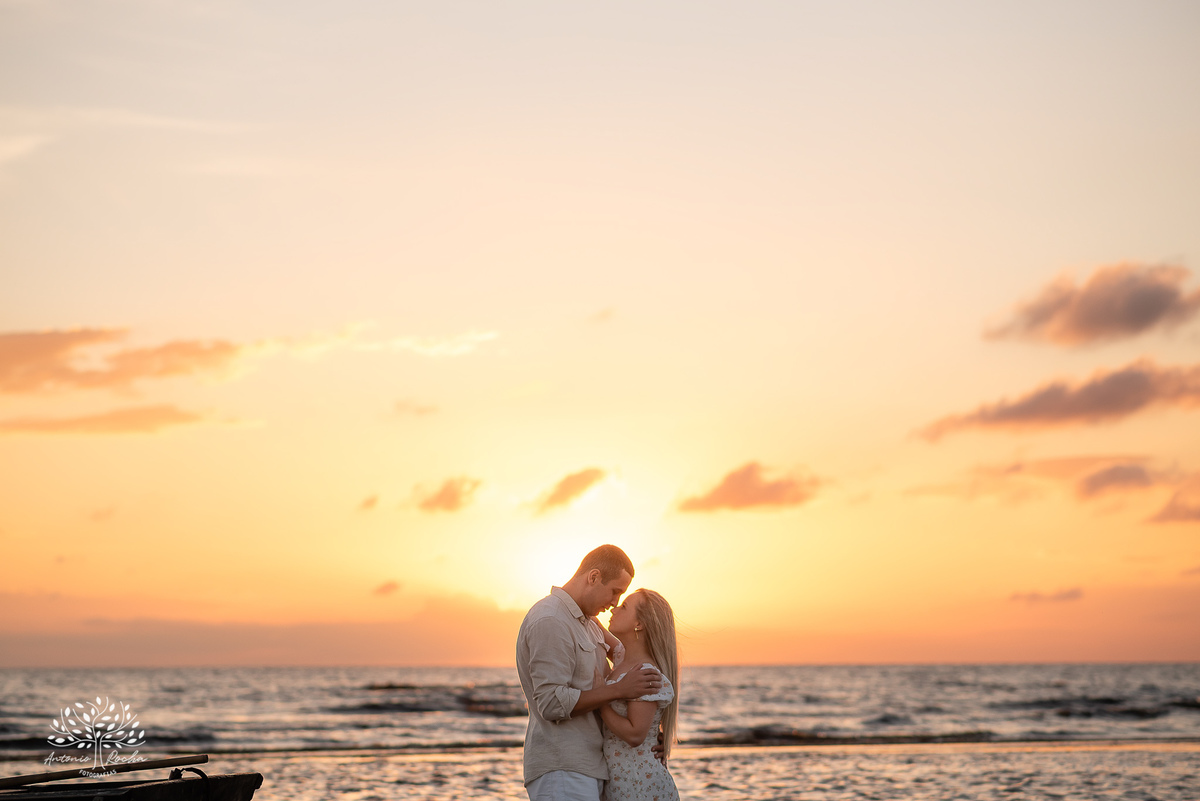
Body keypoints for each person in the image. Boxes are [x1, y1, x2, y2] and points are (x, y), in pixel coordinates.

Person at [516, 545, 663, 801]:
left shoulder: (589, 624)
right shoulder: (551, 619)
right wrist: (617, 690)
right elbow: (551, 703)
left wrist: (650, 733)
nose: (615, 602)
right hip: (563, 768)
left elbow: (631, 662)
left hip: (591, 766)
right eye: (615, 591)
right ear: (594, 577)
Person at [596, 589, 680, 801]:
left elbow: (635, 735)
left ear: (639, 624)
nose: (614, 609)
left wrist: (600, 700)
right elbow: (591, 622)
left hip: (639, 785)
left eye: (624, 607)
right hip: (623, 780)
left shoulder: (645, 673)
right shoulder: (622, 656)